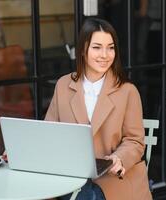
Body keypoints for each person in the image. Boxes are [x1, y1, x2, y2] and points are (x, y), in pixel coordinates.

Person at [45, 18, 152, 200]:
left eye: (110, 47)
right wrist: (21, 151)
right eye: (97, 47)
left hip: (113, 179)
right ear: (83, 51)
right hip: (71, 175)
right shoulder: (63, 85)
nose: (105, 55)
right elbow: (49, 132)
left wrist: (119, 158)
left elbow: (135, 141)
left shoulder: (127, 91)